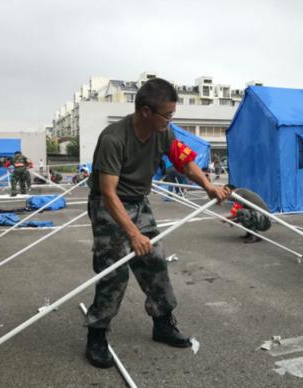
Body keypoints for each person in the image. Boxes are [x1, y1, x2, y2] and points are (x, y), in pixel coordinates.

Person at [84, 78, 230, 369]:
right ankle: (97, 334)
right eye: (167, 114)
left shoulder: (163, 132)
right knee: (114, 271)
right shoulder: (114, 139)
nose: (171, 119)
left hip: (139, 202)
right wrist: (134, 234)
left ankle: (162, 323)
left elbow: (184, 161)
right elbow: (109, 194)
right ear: (146, 112)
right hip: (109, 205)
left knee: (155, 261)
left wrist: (207, 186)